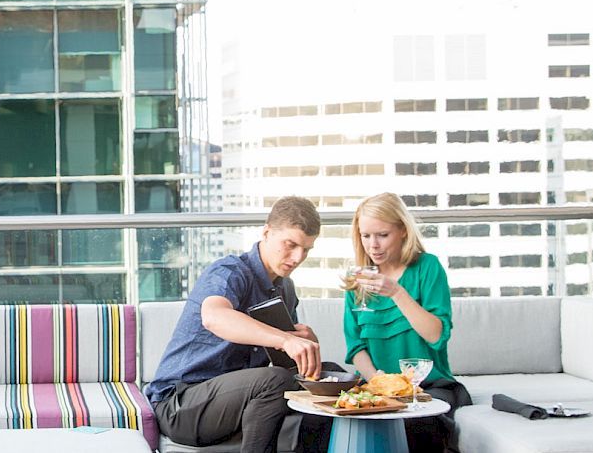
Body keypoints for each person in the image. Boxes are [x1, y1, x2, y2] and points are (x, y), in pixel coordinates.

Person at [146, 196, 334, 453]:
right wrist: (285, 339)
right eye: (290, 245)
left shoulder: (284, 288)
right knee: (275, 381)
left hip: (234, 402)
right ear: (267, 233)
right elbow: (214, 316)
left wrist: (305, 345)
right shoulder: (230, 272)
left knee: (329, 376)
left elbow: (288, 364)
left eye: (306, 249)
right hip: (181, 405)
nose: (298, 257)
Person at [344, 192, 471, 452]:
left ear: (402, 231)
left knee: (415, 423)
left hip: (428, 386)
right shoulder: (359, 280)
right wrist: (379, 383)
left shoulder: (427, 268)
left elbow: (436, 335)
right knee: (319, 421)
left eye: (382, 235)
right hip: (375, 385)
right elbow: (355, 347)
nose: (373, 245)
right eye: (365, 236)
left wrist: (397, 293)